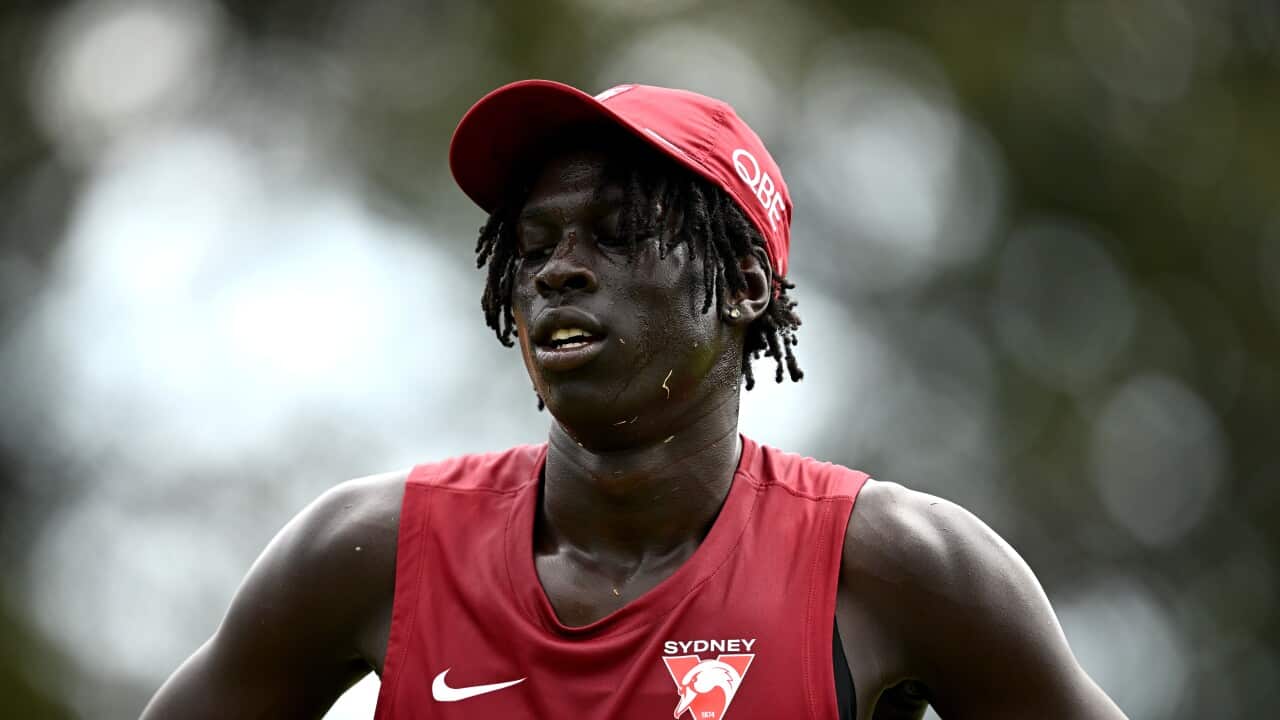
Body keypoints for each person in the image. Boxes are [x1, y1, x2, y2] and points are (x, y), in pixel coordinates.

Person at [142, 80, 1126, 720]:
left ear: (743, 282)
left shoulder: (899, 570)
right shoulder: (367, 555)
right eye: (531, 248)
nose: (557, 273)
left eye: (615, 235)